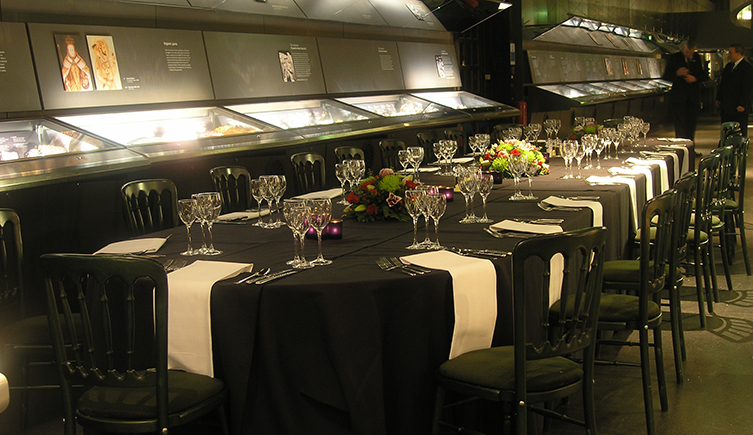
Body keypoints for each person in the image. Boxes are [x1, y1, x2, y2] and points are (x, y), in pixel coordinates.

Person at [662, 41, 708, 141]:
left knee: (691, 124)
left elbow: (704, 75)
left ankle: (691, 147)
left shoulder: (697, 58)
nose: (689, 54)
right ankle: (681, 146)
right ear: (684, 48)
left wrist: (694, 78)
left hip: (693, 97)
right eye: (687, 52)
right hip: (679, 97)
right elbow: (666, 76)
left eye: (691, 52)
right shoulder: (675, 58)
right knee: (680, 125)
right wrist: (677, 74)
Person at [715, 43, 753, 136]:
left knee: (739, 130)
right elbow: (723, 84)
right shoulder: (728, 67)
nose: (729, 55)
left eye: (731, 53)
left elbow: (747, 88)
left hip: (738, 107)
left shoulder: (746, 68)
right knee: (726, 130)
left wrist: (742, 104)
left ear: (738, 54)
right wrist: (719, 97)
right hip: (727, 106)